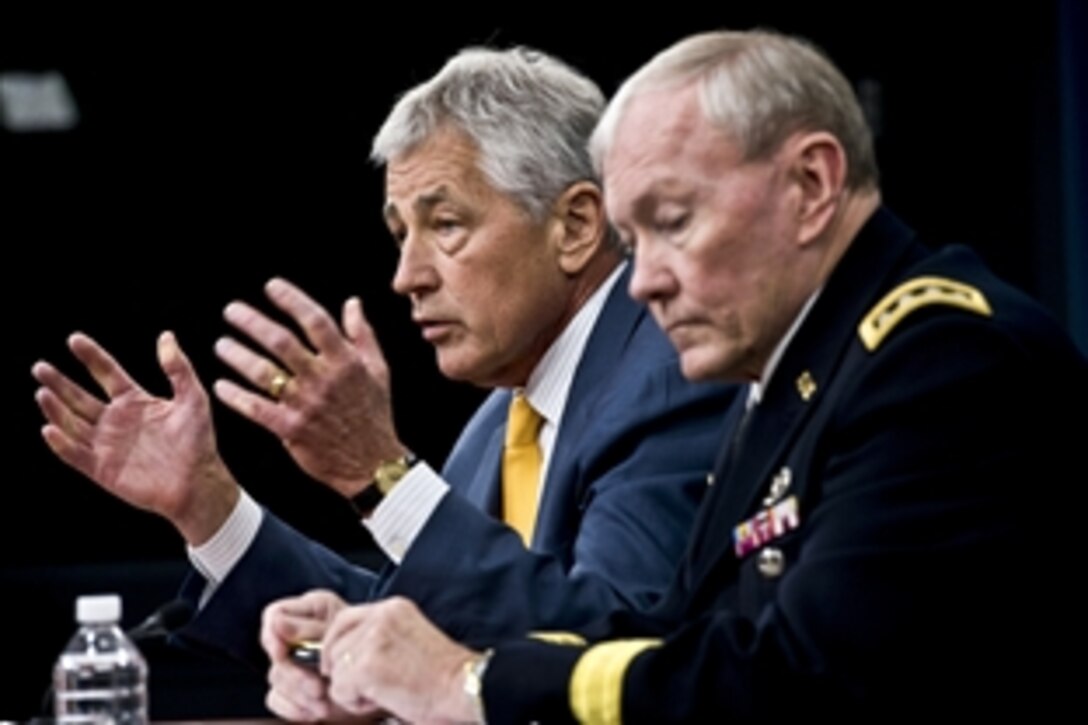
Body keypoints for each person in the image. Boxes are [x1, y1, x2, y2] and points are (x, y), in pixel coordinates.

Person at [267, 29, 1088, 723]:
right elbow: (669, 637)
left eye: (673, 221)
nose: (644, 276)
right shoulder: (793, 379)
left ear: (811, 184)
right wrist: (397, 671)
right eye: (635, 233)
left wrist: (466, 683)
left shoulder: (937, 360)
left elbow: (799, 678)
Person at [30, 46, 735, 677]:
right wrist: (211, 507)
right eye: (400, 234)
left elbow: (608, 647)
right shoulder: (501, 418)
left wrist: (380, 473)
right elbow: (425, 628)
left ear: (575, 226)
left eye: (446, 224)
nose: (406, 276)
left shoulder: (674, 377)